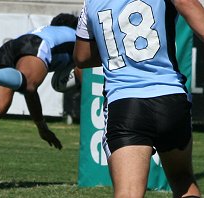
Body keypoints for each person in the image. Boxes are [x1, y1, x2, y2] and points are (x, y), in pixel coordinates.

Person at [73, 0, 204, 197]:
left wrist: (119, 51)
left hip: (125, 104)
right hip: (170, 99)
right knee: (182, 179)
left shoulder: (91, 2)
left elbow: (82, 57)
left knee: (128, 193)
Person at [0, 13, 79, 178]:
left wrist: (41, 127)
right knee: (27, 82)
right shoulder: (76, 37)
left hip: (10, 47)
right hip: (36, 45)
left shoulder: (48, 32)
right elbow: (84, 69)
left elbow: (30, 91)